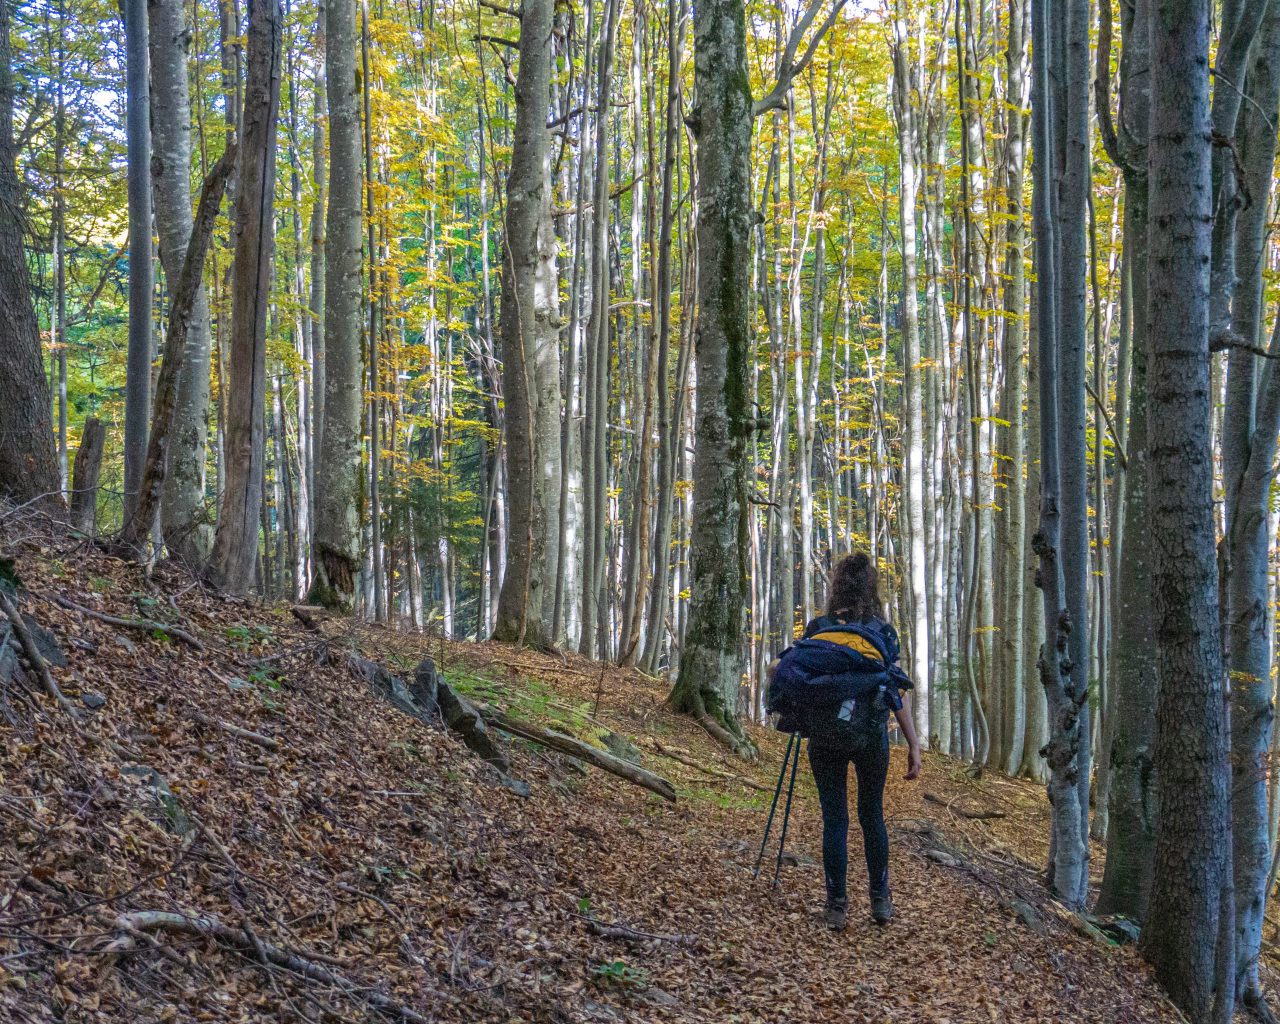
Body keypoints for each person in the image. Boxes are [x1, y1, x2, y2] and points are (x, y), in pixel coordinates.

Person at [804, 552, 921, 931]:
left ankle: (836, 904)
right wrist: (913, 744)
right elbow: (896, 691)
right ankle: (880, 900)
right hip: (871, 734)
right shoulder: (882, 632)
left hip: (824, 737)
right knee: (872, 817)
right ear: (872, 588)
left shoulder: (818, 628)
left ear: (836, 586)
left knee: (834, 818)